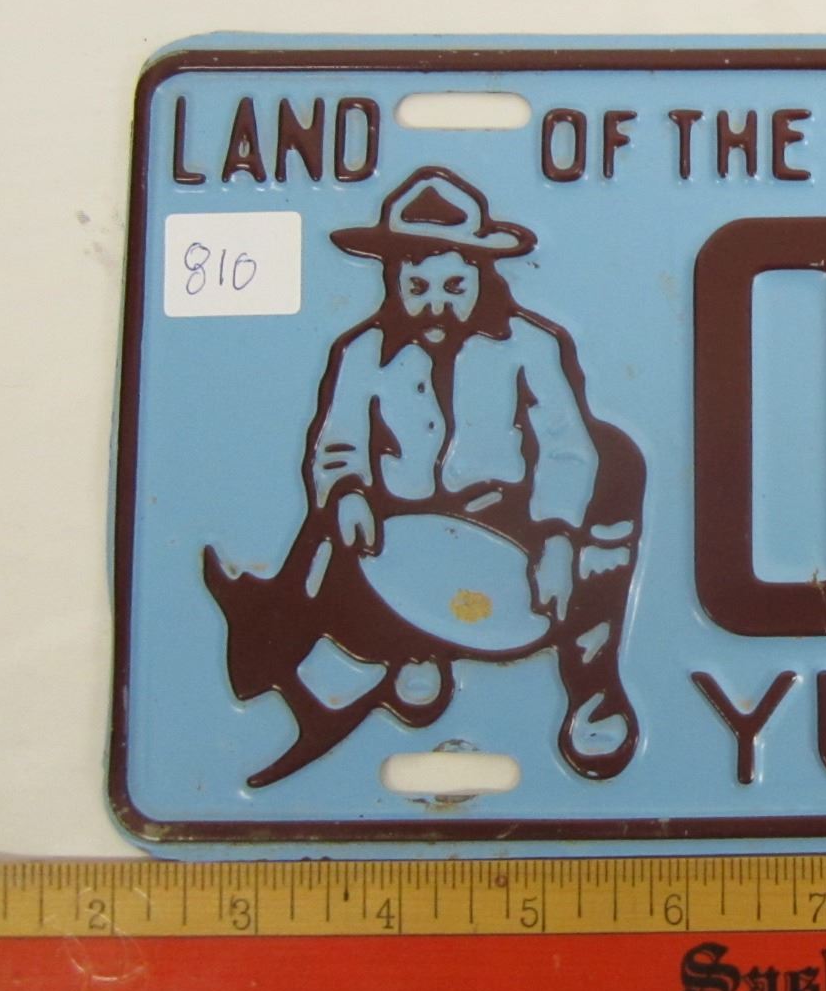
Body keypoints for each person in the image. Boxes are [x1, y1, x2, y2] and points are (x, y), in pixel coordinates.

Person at [204, 167, 644, 788]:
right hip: (404, 520)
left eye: (454, 285)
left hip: (508, 516)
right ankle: (413, 648)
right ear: (394, 279)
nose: (436, 302)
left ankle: (592, 691)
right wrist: (347, 492)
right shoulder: (361, 353)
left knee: (596, 554)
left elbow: (566, 447)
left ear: (482, 276)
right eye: (417, 285)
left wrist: (556, 533)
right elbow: (337, 443)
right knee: (343, 559)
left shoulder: (530, 345)